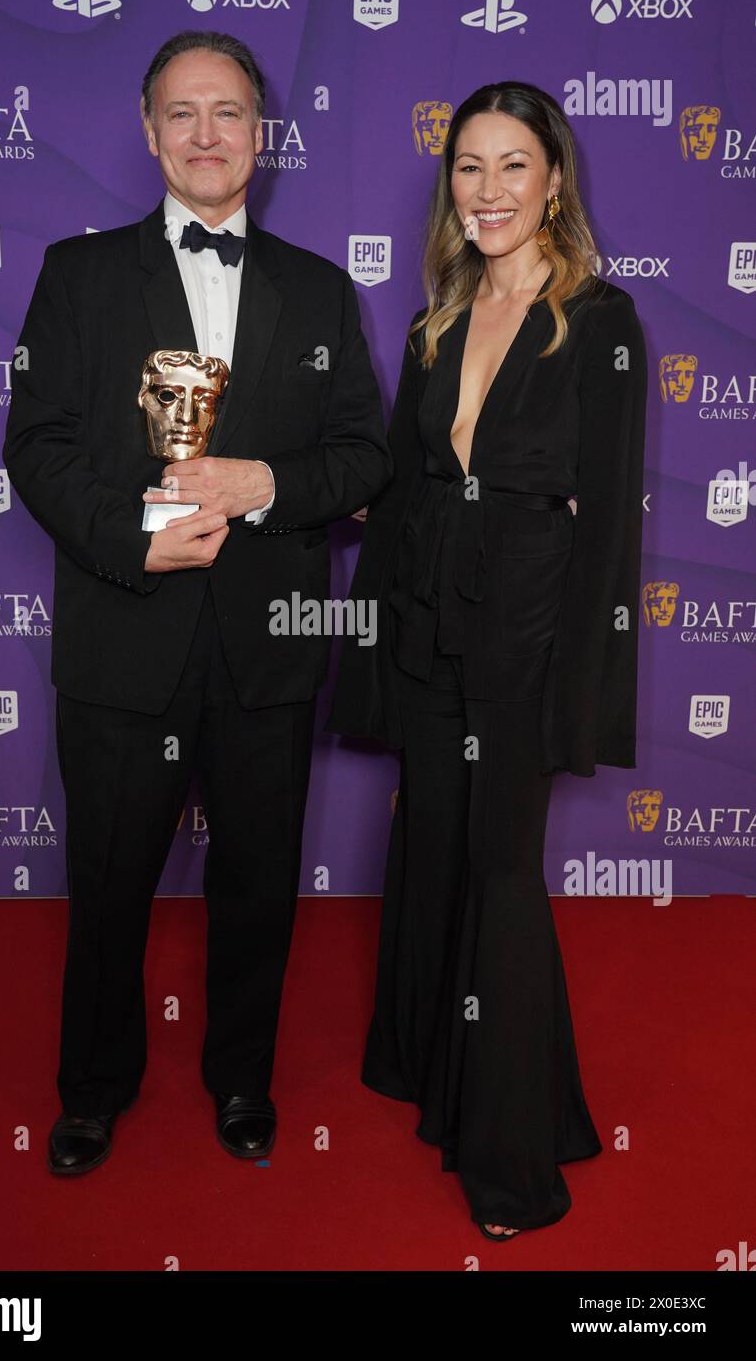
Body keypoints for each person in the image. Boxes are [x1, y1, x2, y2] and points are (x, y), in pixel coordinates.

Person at [3, 30, 390, 1176]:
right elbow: (39, 447)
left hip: (267, 648)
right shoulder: (75, 276)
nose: (207, 134)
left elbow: (362, 457)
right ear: (148, 131)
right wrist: (139, 536)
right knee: (110, 880)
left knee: (258, 885)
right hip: (125, 636)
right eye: (183, 114)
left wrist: (264, 483)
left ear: (260, 134)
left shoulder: (320, 290)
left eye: (227, 112)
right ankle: (92, 1086)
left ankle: (241, 1079)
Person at [326, 81, 648, 1240]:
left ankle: (513, 1163)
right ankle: (432, 1074)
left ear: (553, 180)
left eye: (513, 165)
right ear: (447, 183)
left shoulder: (598, 321)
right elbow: (406, 493)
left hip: (521, 639)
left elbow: (606, 521)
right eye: (468, 166)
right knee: (431, 847)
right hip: (424, 628)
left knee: (501, 875)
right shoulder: (436, 316)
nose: (489, 189)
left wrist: (579, 686)